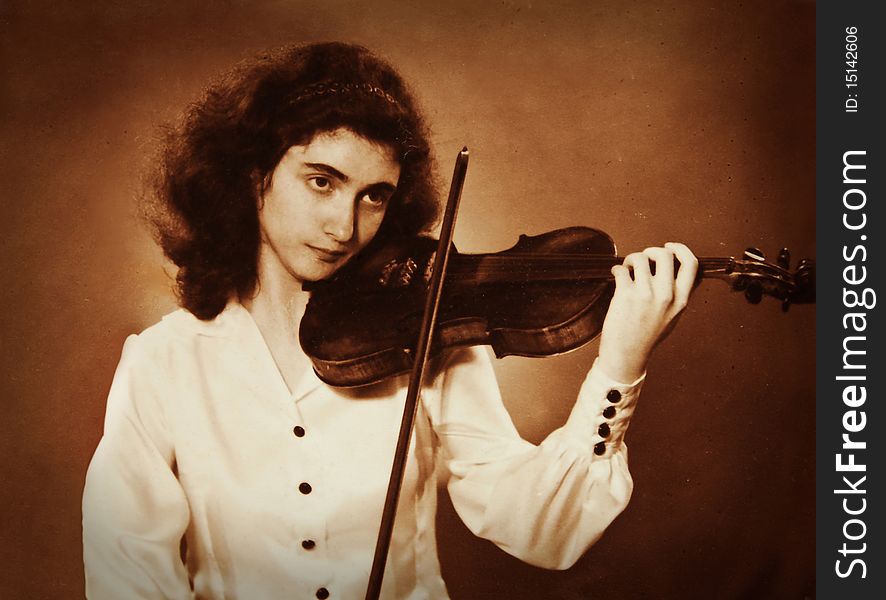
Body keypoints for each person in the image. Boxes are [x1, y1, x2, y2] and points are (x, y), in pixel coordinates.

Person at [82, 42, 697, 600]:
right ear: (253, 175)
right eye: (321, 181)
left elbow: (535, 526)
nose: (344, 226)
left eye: (373, 195)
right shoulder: (164, 362)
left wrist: (619, 365)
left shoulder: (424, 333)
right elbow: (127, 575)